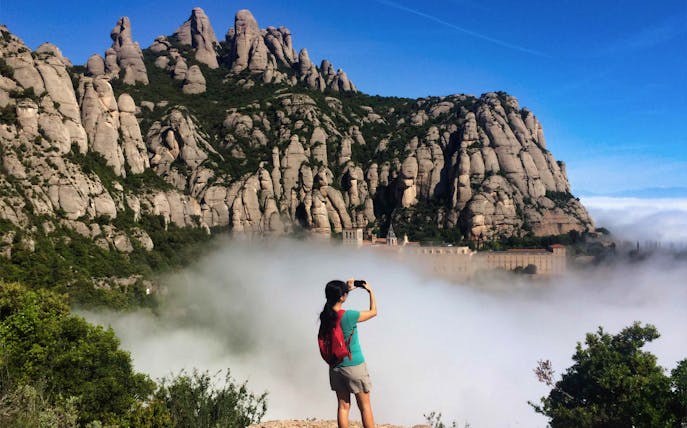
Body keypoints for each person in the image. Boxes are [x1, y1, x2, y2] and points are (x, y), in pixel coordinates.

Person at [319, 279, 377, 428]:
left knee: (343, 407)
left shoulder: (325, 316)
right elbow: (373, 312)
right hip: (354, 366)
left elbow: (334, 302)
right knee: (365, 407)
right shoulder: (349, 316)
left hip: (336, 367)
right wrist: (370, 291)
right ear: (342, 297)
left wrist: (345, 291)